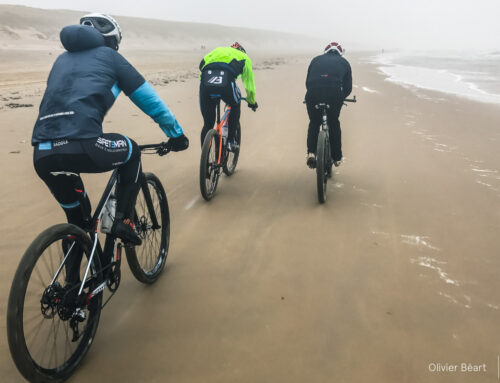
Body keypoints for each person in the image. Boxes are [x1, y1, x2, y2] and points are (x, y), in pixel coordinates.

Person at [32, 14, 189, 249]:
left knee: (79, 223)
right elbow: (151, 102)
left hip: (42, 154)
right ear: (114, 40)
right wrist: (176, 134)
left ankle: (73, 283)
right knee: (132, 151)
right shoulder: (112, 58)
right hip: (85, 145)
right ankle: (123, 220)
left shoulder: (61, 61)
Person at [198, 42, 258, 151]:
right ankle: (230, 141)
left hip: (205, 84)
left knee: (208, 124)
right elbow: (249, 85)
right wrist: (251, 101)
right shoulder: (245, 57)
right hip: (226, 84)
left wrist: (209, 88)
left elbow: (201, 67)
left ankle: (205, 156)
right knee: (235, 104)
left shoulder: (216, 50)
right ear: (242, 51)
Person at [305, 41, 352, 169]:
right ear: (340, 53)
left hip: (312, 94)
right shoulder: (344, 63)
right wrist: (341, 98)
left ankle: (311, 153)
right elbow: (348, 88)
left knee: (314, 122)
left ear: (325, 51)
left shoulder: (315, 60)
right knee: (333, 122)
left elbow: (308, 82)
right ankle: (337, 157)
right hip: (334, 95)